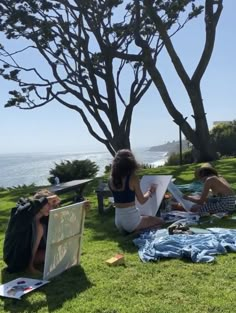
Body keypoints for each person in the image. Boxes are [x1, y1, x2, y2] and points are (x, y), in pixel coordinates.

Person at [3, 189, 61, 274]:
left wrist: (81, 209)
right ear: (39, 202)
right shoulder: (21, 213)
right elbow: (23, 213)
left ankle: (31, 264)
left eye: (51, 204)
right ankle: (30, 267)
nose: (50, 207)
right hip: (15, 258)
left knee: (55, 251)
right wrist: (45, 200)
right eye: (47, 204)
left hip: (31, 252)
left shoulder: (44, 217)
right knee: (39, 229)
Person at [108, 149, 164, 234]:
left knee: (144, 217)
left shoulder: (111, 180)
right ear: (131, 163)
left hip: (118, 222)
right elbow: (142, 201)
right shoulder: (133, 178)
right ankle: (137, 232)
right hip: (132, 222)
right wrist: (150, 191)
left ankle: (135, 231)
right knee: (160, 221)